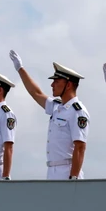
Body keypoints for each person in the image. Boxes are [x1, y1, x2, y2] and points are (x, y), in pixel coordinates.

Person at [9, 50, 89, 180]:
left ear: (68, 85)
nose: (52, 84)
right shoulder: (57, 107)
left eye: (56, 81)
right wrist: (20, 69)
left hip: (67, 171)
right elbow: (36, 93)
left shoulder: (78, 111)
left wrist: (73, 178)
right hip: (52, 171)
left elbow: (80, 147)